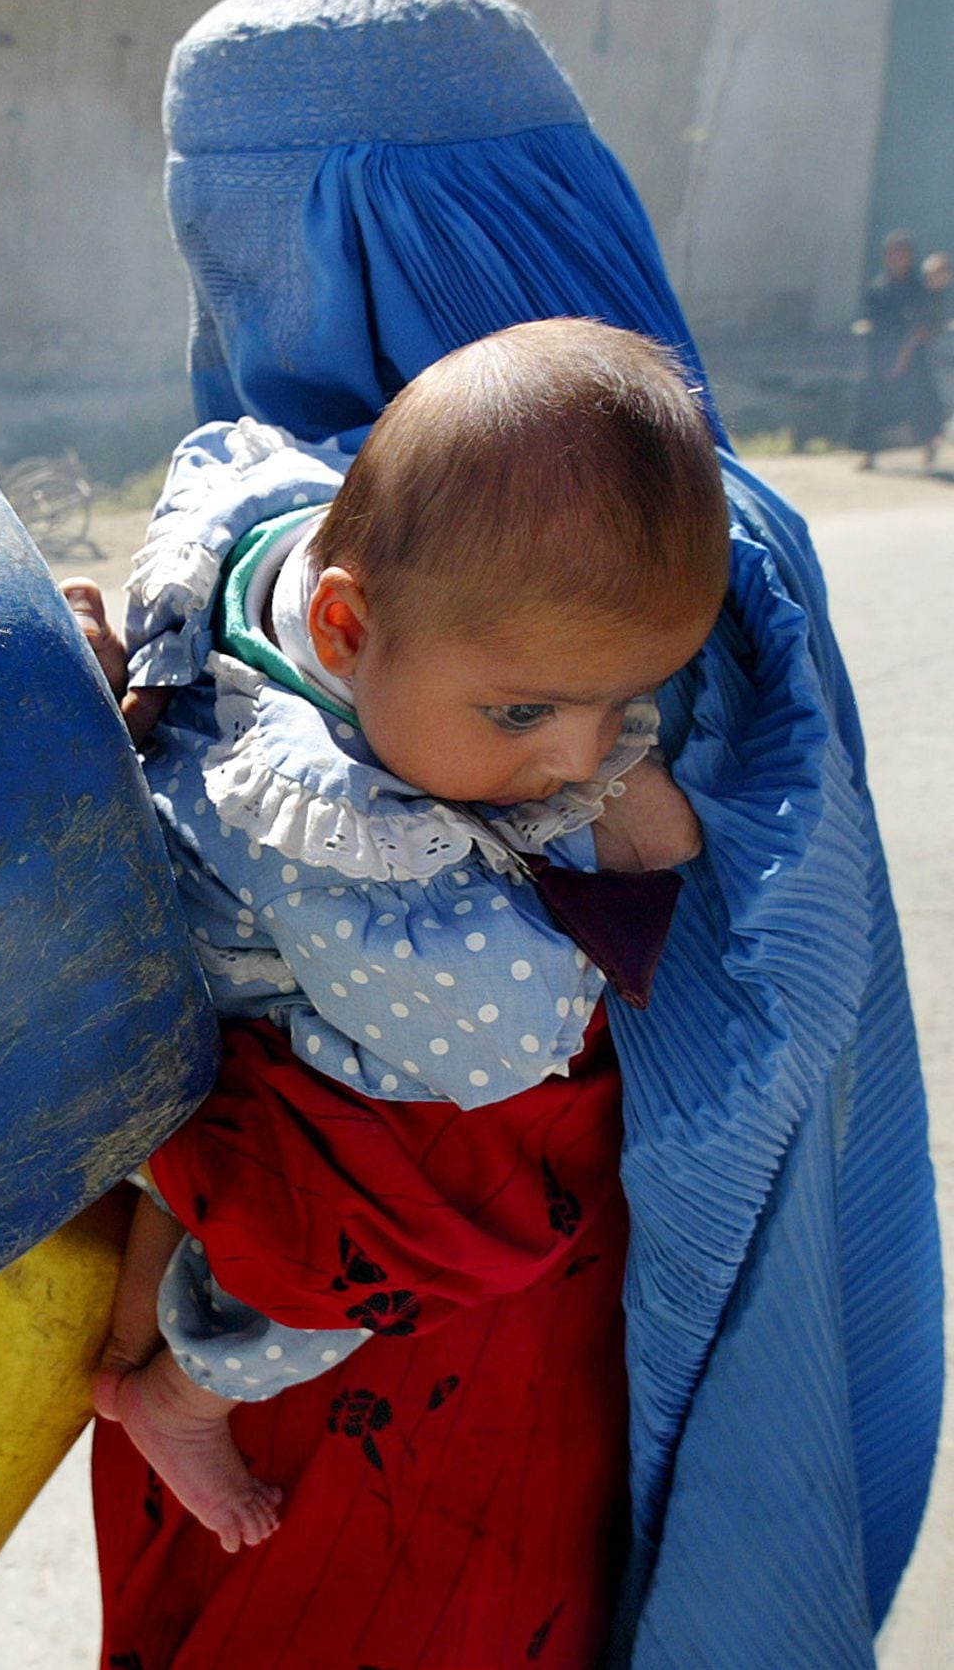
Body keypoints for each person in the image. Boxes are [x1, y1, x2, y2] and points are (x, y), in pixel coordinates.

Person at [70, 0, 940, 1668]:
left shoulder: (585, 568)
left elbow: (669, 1029)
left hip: (430, 1369)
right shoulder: (586, 520)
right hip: (370, 1324)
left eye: (265, 240)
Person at [86, 317, 727, 1557]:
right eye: (525, 710)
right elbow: (505, 1040)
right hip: (230, 1034)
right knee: (422, 1243)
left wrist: (534, 734)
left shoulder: (289, 531)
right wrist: (597, 839)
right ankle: (187, 1393)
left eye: (620, 705)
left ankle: (150, 1316)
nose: (576, 756)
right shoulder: (339, 842)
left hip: (177, 979)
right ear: (340, 630)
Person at [852, 230, 944, 469]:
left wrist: (922, 335)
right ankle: (870, 453)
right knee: (873, 403)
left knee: (923, 401)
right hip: (884, 354)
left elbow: (931, 318)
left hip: (914, 357)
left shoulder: (919, 288)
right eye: (893, 253)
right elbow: (871, 321)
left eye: (902, 253)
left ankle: (929, 445)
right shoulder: (879, 289)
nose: (898, 258)